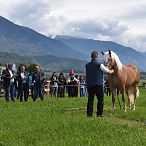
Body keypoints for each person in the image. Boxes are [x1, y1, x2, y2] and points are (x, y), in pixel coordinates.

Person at [85, 51, 114, 117]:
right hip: (98, 84)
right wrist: (112, 71)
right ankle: (99, 114)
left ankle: (89, 114)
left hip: (90, 85)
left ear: (91, 57)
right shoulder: (99, 64)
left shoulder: (87, 65)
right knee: (100, 99)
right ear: (97, 56)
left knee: (90, 100)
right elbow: (107, 71)